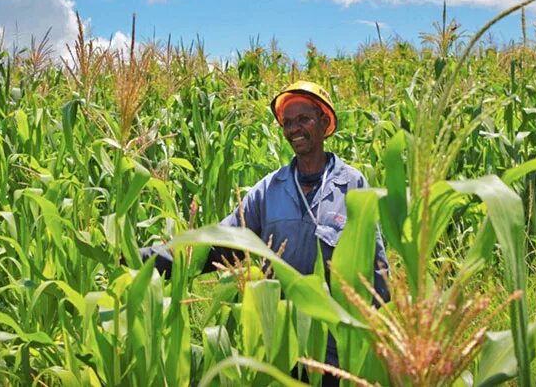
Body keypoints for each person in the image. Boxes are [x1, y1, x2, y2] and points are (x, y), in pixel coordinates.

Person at [140, 80, 389, 382]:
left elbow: (376, 270)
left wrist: (378, 343)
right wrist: (146, 260)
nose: (293, 129)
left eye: (303, 119)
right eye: (287, 123)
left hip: (336, 350)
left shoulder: (353, 185)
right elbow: (219, 242)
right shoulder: (269, 190)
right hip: (279, 344)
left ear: (324, 122)